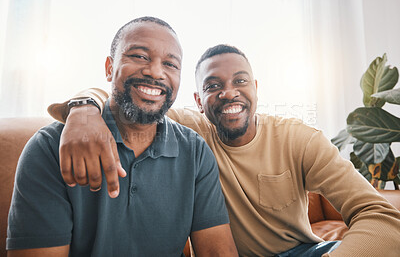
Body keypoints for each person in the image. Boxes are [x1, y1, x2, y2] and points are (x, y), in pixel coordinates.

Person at [47, 44, 400, 256]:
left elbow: (380, 215)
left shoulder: (301, 140)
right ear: (199, 101)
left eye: (240, 81)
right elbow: (133, 95)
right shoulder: (192, 131)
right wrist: (82, 107)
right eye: (214, 86)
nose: (229, 93)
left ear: (256, 89)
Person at [6, 17, 239, 257]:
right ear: (109, 68)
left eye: (171, 64)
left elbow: (216, 251)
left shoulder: (196, 152)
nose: (156, 72)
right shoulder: (49, 148)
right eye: (139, 56)